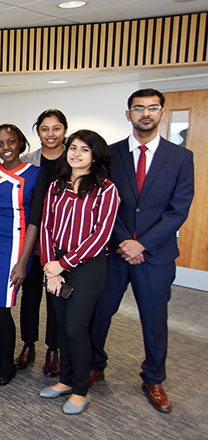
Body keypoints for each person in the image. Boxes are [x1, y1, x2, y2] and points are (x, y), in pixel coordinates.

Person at [89, 88, 194, 413]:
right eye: (138, 108)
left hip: (156, 256)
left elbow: (179, 210)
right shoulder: (111, 153)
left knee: (154, 320)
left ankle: (153, 378)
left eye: (152, 108)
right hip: (115, 252)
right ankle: (95, 364)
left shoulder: (180, 157)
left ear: (162, 113)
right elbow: (106, 203)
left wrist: (142, 244)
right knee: (101, 313)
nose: (145, 113)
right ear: (128, 114)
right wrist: (124, 241)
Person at [38, 130, 120, 415]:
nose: (76, 154)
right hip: (55, 265)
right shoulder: (56, 186)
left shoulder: (106, 189)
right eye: (73, 148)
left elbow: (101, 237)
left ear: (95, 155)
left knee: (76, 328)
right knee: (60, 326)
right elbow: (46, 228)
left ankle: (81, 389)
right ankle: (65, 380)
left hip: (87, 266)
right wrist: (51, 267)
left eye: (84, 149)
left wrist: (64, 264)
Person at [0, 124, 44, 386]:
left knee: (3, 307)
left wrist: (24, 261)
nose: (6, 148)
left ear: (20, 143)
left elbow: (35, 220)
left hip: (18, 246)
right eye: (0, 144)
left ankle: (9, 365)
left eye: (11, 142)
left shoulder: (36, 174)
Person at [16, 109, 67, 376]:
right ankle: (28, 345)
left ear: (64, 130)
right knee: (31, 296)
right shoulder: (28, 162)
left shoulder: (75, 159)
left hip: (62, 244)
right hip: (31, 241)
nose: (50, 134)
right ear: (38, 132)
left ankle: (53, 349)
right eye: (45, 129)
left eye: (56, 128)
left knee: (56, 297)